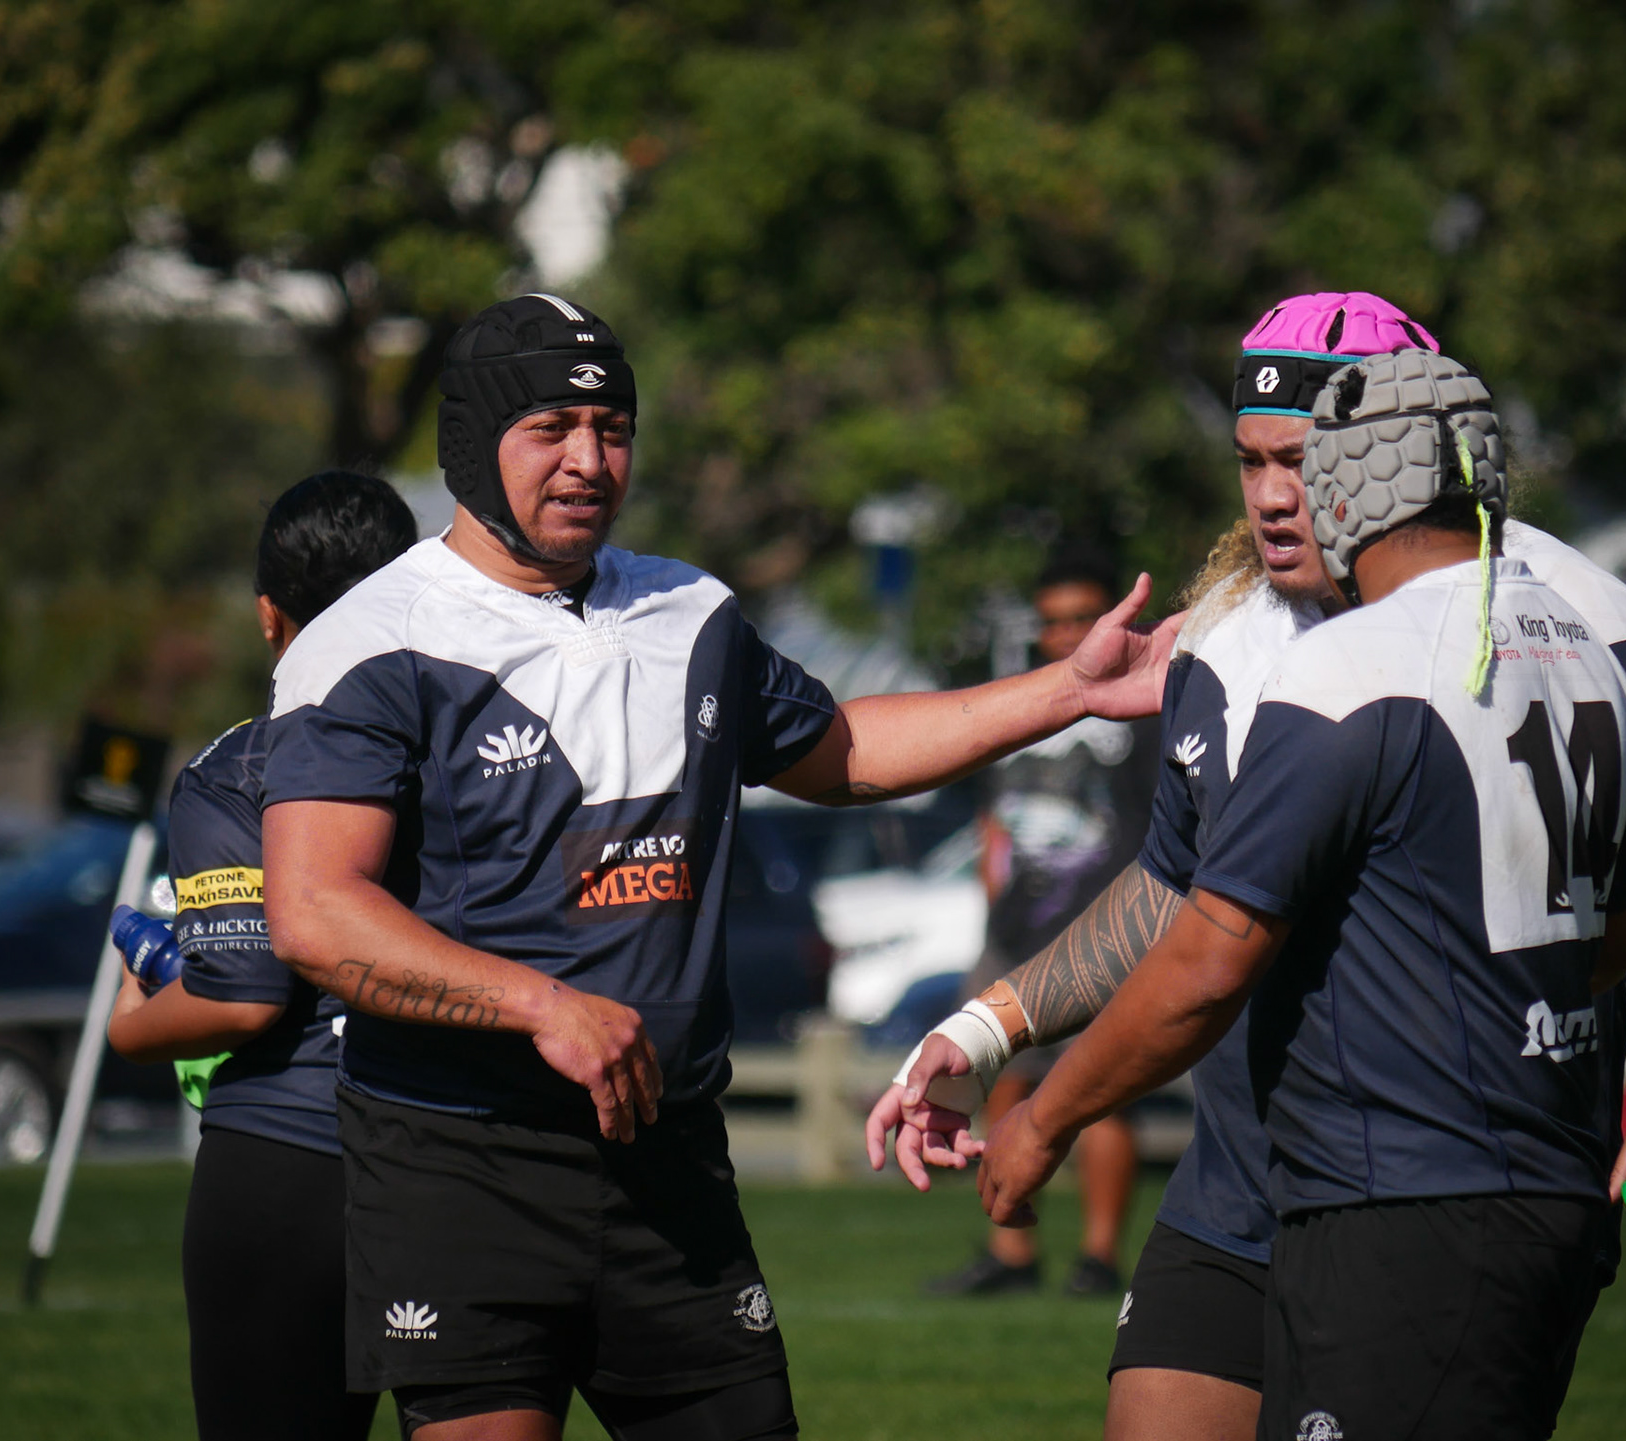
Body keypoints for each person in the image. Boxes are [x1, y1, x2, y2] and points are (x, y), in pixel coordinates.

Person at [257, 294, 1180, 1441]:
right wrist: (542, 1006)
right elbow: (314, 910)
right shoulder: (371, 638)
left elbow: (845, 751)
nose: (589, 461)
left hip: (670, 1156)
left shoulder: (690, 611)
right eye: (551, 429)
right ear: (472, 443)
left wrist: (1071, 691)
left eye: (613, 429)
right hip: (462, 1157)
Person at [869, 293, 1626, 1441]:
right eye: (1252, 461)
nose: (1277, 495)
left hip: (1443, 1174)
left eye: (1303, 458)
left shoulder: (1594, 617)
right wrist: (987, 1028)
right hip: (1245, 1180)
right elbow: (1172, 887)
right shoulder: (1223, 636)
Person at [107, 471, 418, 1441]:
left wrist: (134, 1018)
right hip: (461, 1156)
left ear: (267, 614)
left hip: (290, 1161)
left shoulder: (238, 767)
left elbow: (242, 996)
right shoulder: (481, 748)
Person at [927, 550, 1157, 1297]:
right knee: (995, 1077)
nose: (1065, 634)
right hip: (1015, 930)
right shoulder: (1024, 701)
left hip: (1103, 931)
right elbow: (994, 818)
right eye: (1053, 620)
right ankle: (1012, 1252)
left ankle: (1099, 1257)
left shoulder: (1142, 705)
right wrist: (992, 901)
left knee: (1101, 1093)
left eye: (1081, 617)